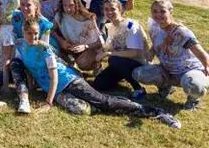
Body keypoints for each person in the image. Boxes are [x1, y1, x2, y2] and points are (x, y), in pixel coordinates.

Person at [9, 19, 181, 128]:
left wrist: (48, 101)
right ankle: (99, 104)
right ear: (23, 32)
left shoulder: (45, 49)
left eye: (35, 33)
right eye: (29, 33)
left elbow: (54, 76)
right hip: (56, 90)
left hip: (68, 81)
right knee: (79, 109)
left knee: (104, 102)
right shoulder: (21, 46)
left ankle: (155, 112)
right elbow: (30, 70)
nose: (33, 36)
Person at [132, 0, 209, 111]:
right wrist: (151, 52)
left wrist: (206, 67)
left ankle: (193, 98)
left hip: (188, 70)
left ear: (170, 12)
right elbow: (156, 44)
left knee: (195, 85)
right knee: (138, 73)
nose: (158, 14)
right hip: (168, 70)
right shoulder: (154, 27)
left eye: (162, 11)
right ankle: (166, 87)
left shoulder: (181, 32)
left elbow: (200, 52)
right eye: (154, 11)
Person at [92, 0, 150, 100]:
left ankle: (139, 88)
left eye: (113, 9)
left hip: (137, 62)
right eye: (106, 9)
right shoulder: (110, 27)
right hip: (120, 62)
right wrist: (100, 52)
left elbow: (134, 53)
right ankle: (122, 76)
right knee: (98, 84)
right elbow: (109, 47)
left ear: (120, 10)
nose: (109, 12)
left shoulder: (130, 25)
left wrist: (109, 53)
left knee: (113, 59)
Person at [51, 0, 102, 72]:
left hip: (89, 47)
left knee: (83, 63)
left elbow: (100, 42)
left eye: (71, 5)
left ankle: (97, 66)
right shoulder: (60, 16)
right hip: (70, 46)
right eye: (65, 5)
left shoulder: (88, 18)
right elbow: (52, 30)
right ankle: (71, 64)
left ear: (77, 4)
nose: (68, 9)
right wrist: (61, 41)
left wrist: (85, 46)